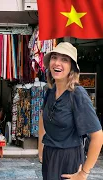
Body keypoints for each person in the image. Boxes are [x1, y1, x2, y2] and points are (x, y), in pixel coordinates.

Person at [38, 42, 103, 180]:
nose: (57, 63)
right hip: (49, 155)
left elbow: (98, 136)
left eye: (64, 60)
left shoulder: (77, 94)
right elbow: (43, 117)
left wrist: (84, 173)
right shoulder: (50, 89)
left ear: (72, 67)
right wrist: (40, 149)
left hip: (68, 159)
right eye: (54, 57)